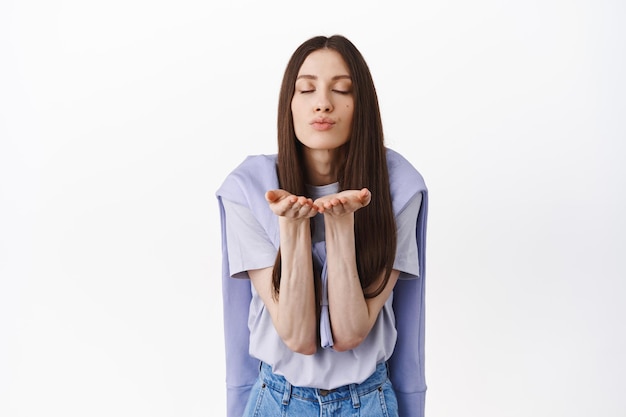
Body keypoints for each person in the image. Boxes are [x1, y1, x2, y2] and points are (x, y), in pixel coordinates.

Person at [216, 34, 428, 417]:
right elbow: (298, 337)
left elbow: (350, 333)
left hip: (369, 401)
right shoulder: (248, 189)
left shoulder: (399, 187)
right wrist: (293, 229)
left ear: (361, 105)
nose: (323, 103)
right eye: (307, 88)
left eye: (341, 89)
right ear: (290, 104)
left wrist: (341, 224)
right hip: (277, 401)